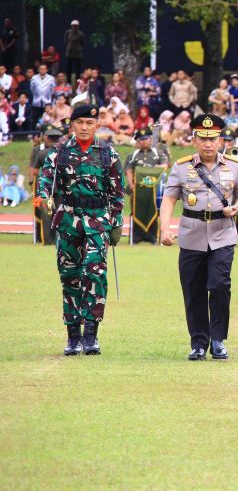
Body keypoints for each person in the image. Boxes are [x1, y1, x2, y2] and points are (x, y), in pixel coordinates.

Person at [34, 104, 125, 356]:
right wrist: (43, 201)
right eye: (79, 122)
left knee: (95, 274)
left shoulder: (108, 153)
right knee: (70, 276)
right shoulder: (59, 152)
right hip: (68, 220)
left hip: (98, 221)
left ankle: (91, 336)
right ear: (71, 125)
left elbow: (118, 192)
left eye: (89, 123)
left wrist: (116, 222)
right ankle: (73, 336)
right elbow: (44, 182)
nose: (84, 127)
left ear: (98, 125)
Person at [159, 114, 238, 360]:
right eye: (202, 138)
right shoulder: (181, 167)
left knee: (219, 284)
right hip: (191, 233)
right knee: (193, 288)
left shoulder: (234, 165)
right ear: (194, 140)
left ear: (220, 140)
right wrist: (164, 228)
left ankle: (218, 339)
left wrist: (237, 208)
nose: (207, 143)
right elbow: (169, 199)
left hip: (223, 233)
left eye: (212, 138)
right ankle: (199, 342)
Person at [124, 127, 168, 244]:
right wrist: (131, 185)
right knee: (136, 212)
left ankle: (152, 237)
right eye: (141, 139)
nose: (144, 141)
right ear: (137, 141)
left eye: (146, 139)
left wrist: (152, 169)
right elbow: (129, 171)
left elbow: (164, 166)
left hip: (153, 190)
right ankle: (136, 238)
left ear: (150, 139)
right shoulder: (133, 155)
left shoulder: (157, 154)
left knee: (153, 211)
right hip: (137, 190)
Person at [31, 126, 64, 245]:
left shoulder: (41, 153)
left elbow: (34, 172)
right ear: (59, 140)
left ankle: (47, 240)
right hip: (60, 186)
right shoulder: (64, 154)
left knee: (46, 213)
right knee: (58, 212)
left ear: (47, 139)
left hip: (45, 187)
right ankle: (57, 240)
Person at [64, 20, 85, 85]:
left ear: (78, 26)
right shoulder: (68, 32)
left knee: (77, 68)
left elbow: (82, 42)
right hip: (69, 52)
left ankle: (77, 81)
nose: (74, 27)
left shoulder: (80, 34)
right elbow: (66, 41)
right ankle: (68, 81)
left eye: (76, 26)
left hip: (77, 53)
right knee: (69, 68)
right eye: (73, 26)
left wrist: (78, 48)